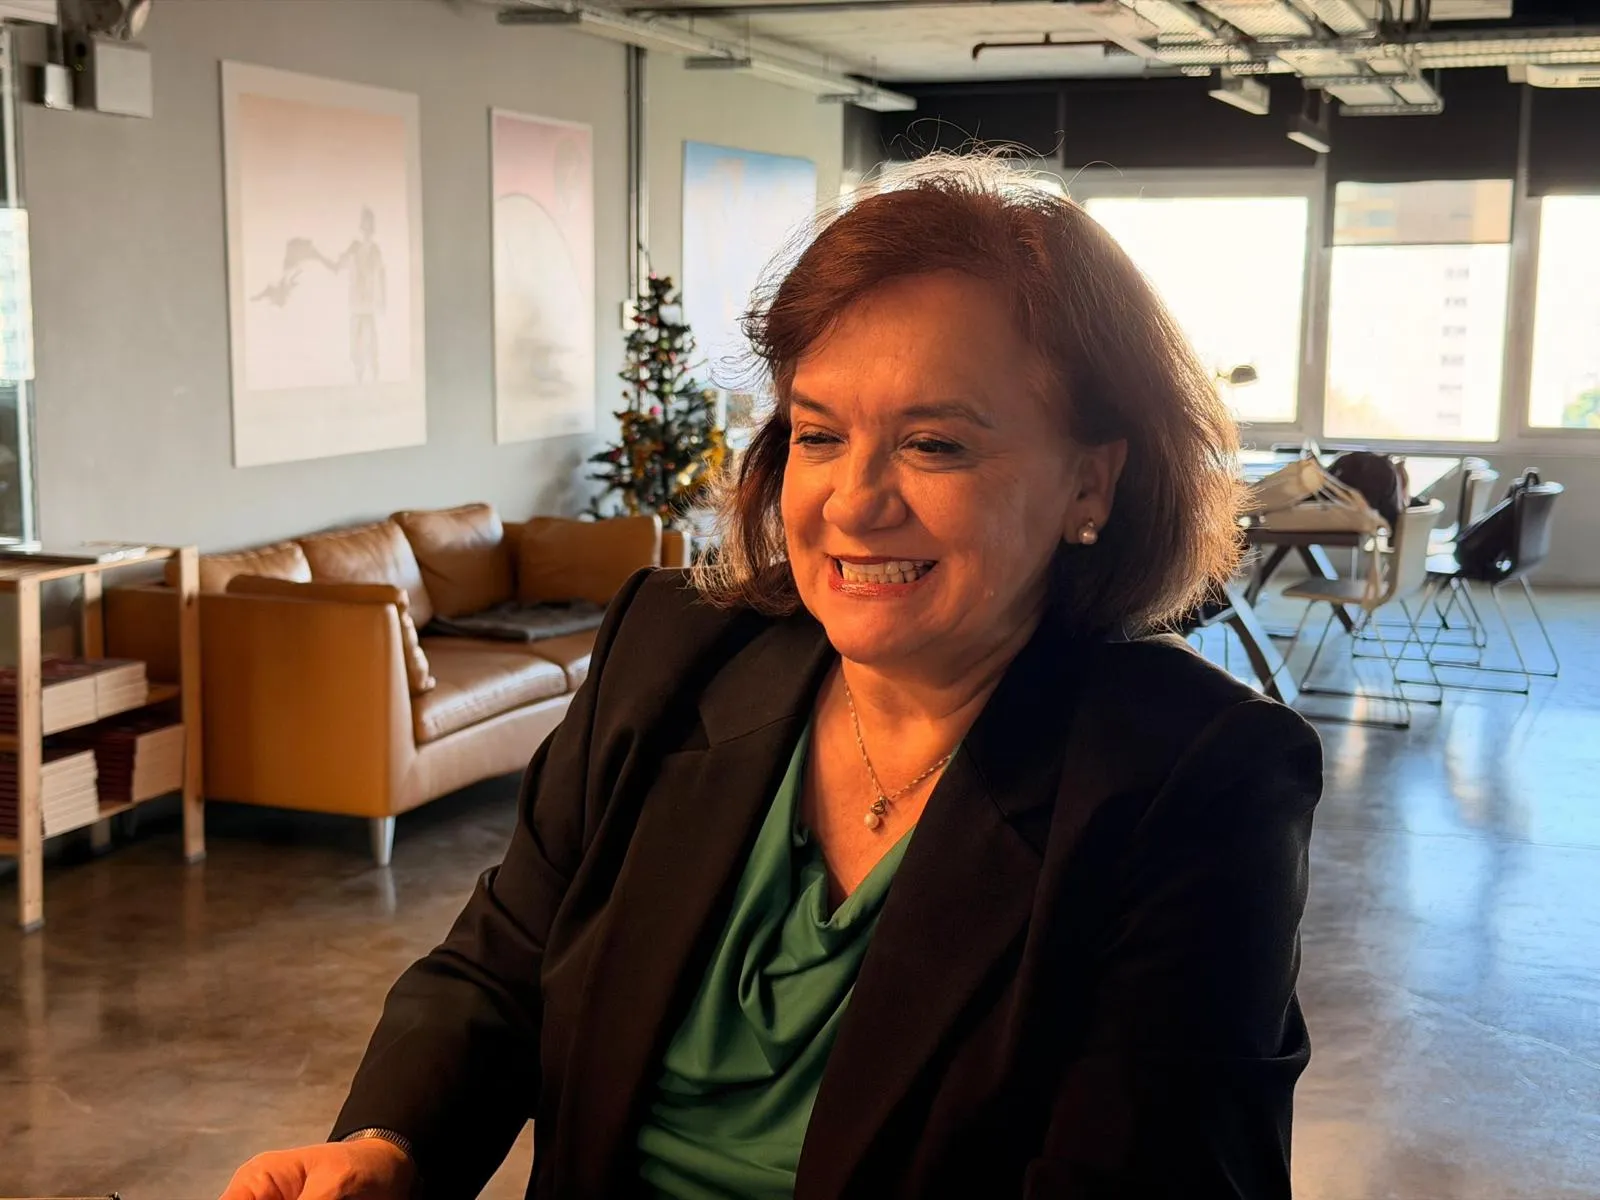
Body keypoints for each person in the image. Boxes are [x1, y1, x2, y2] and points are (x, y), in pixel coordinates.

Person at [221, 156, 1322, 1200]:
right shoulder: (669, 652)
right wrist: (389, 1147)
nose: (852, 503)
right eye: (818, 434)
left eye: (935, 444)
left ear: (1091, 483)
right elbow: (502, 966)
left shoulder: (1197, 783)